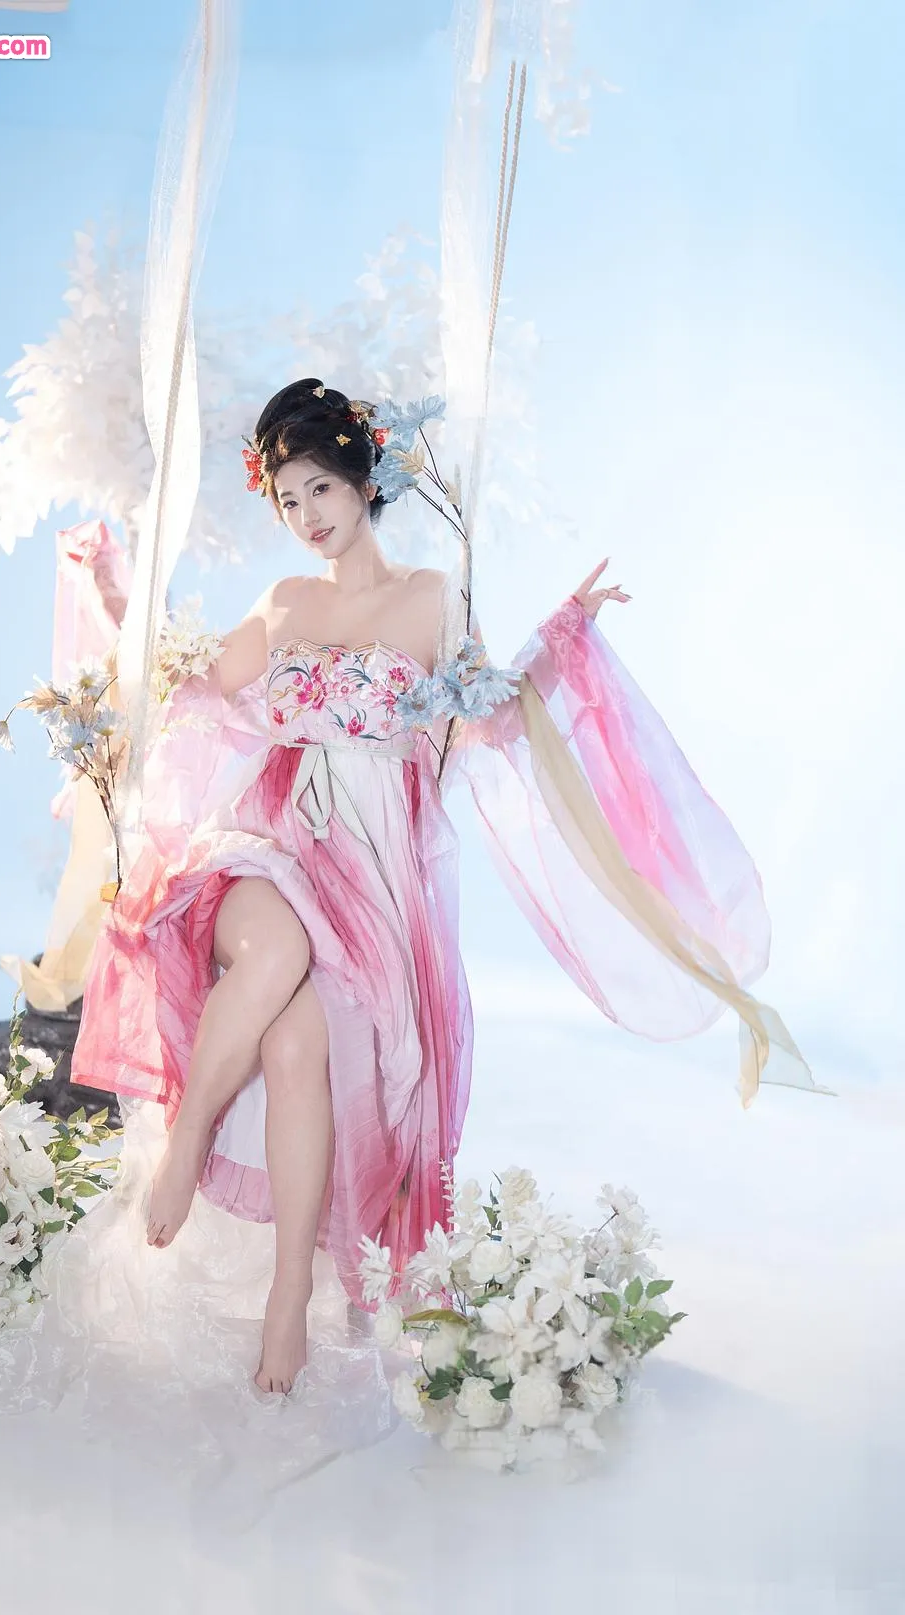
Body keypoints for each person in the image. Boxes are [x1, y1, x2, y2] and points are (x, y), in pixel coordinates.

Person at [70, 376, 814, 1397]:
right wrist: (114, 595)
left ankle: (292, 1294)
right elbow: (191, 684)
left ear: (364, 479)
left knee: (297, 1047)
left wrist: (565, 635)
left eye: (321, 488)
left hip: (372, 882)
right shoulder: (284, 603)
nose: (307, 515)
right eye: (288, 499)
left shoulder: (429, 597)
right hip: (269, 845)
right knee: (274, 949)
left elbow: (489, 713)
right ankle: (188, 1140)